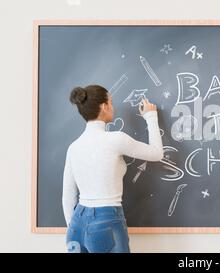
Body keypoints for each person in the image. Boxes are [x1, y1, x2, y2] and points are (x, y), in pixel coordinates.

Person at [62, 85, 163, 253]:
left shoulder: (74, 147)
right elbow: (157, 153)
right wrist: (151, 116)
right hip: (106, 219)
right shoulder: (116, 139)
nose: (113, 107)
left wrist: (74, 229)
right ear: (104, 106)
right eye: (111, 102)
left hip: (76, 225)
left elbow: (68, 196)